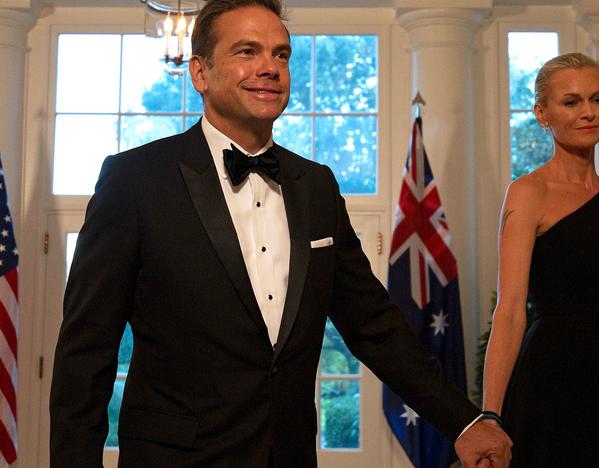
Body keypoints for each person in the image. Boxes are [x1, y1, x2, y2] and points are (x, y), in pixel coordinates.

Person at [49, 1, 511, 467]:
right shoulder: (135, 181)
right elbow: (86, 353)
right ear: (200, 73)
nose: (269, 67)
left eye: (282, 54)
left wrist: (464, 422)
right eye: (247, 52)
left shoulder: (316, 186)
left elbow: (375, 327)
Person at [481, 52, 599, 467]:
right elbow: (511, 312)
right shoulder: (528, 193)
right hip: (549, 396)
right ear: (542, 113)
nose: (588, 112)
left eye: (597, 99)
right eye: (572, 102)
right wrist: (490, 421)